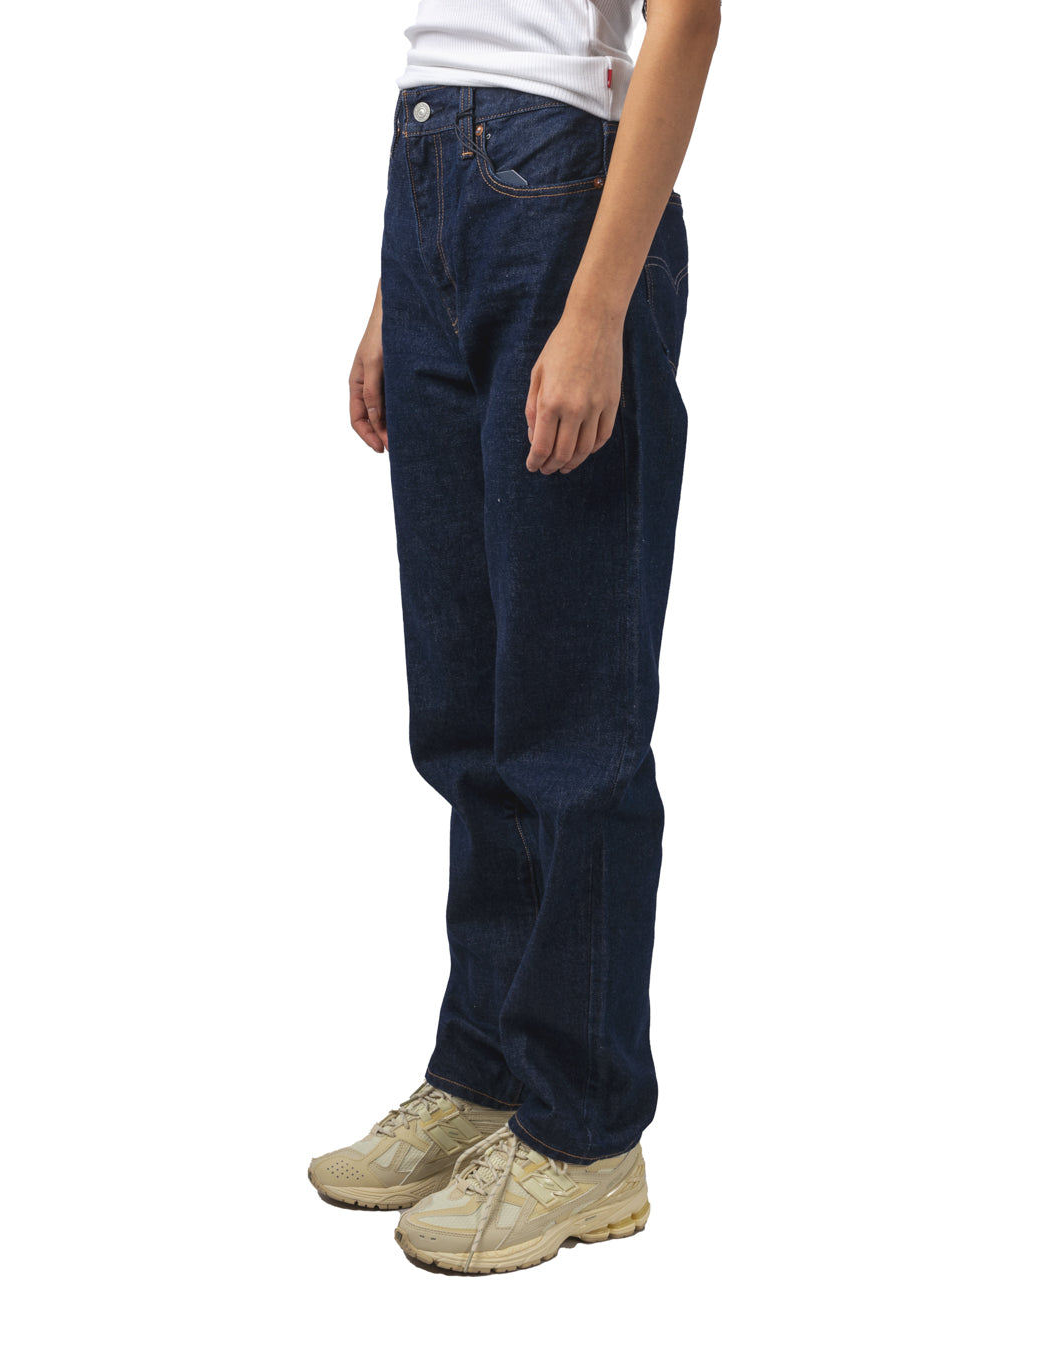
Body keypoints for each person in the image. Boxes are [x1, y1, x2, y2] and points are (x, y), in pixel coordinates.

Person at [308, 0, 720, 1274]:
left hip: (563, 204)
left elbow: (688, 20)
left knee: (571, 724)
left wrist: (596, 313)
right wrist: (397, 295)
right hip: (430, 182)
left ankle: (586, 1134)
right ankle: (487, 1073)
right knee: (468, 714)